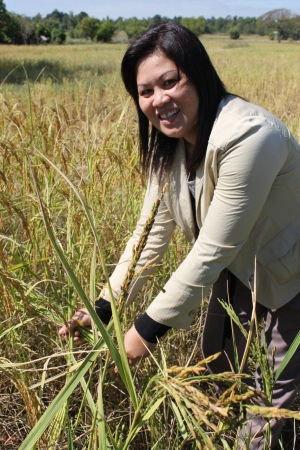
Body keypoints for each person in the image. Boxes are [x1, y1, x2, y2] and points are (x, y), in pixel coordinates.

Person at [59, 22, 300, 449]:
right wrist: (102, 308)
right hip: (243, 274)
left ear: (198, 74)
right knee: (227, 375)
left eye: (171, 81)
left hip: (289, 281)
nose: (159, 100)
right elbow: (148, 236)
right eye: (145, 91)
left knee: (266, 408)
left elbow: (213, 249)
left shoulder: (250, 136)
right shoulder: (170, 146)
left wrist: (145, 332)